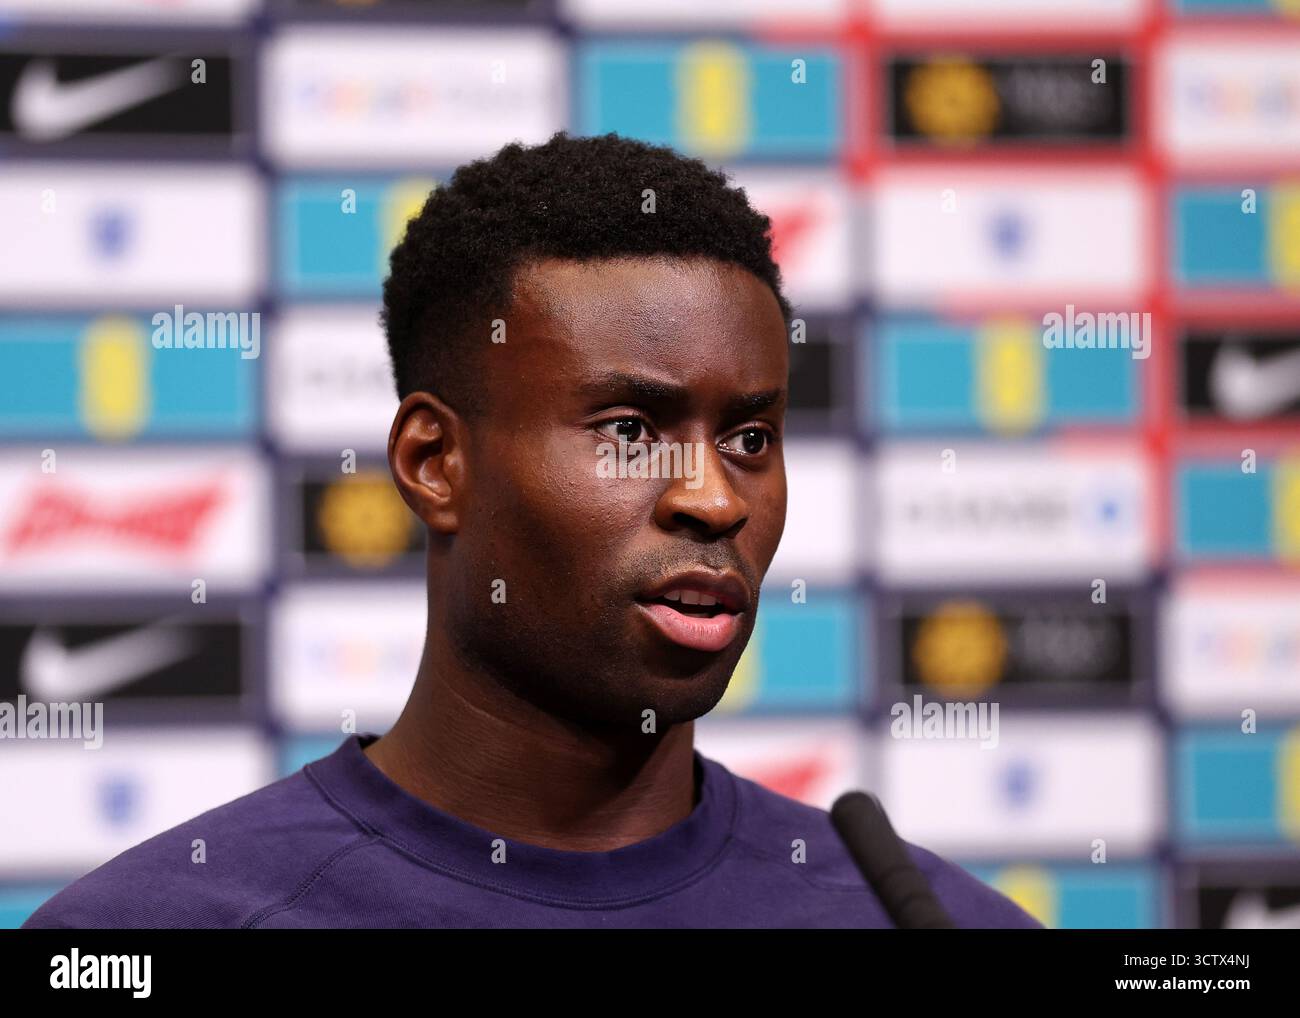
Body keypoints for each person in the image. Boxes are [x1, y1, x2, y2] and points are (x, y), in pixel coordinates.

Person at [24, 132, 1041, 929]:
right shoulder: (152, 927)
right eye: (630, 429)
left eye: (748, 436)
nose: (715, 499)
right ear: (434, 464)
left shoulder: (925, 916)